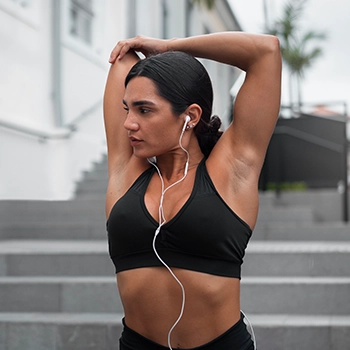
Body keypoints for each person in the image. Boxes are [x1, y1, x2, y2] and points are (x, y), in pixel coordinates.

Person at [104, 31, 282, 350]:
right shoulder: (125, 170)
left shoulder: (232, 171)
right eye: (127, 109)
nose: (128, 123)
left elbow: (265, 52)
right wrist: (154, 60)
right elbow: (125, 57)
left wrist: (169, 46)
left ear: (191, 116)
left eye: (144, 110)